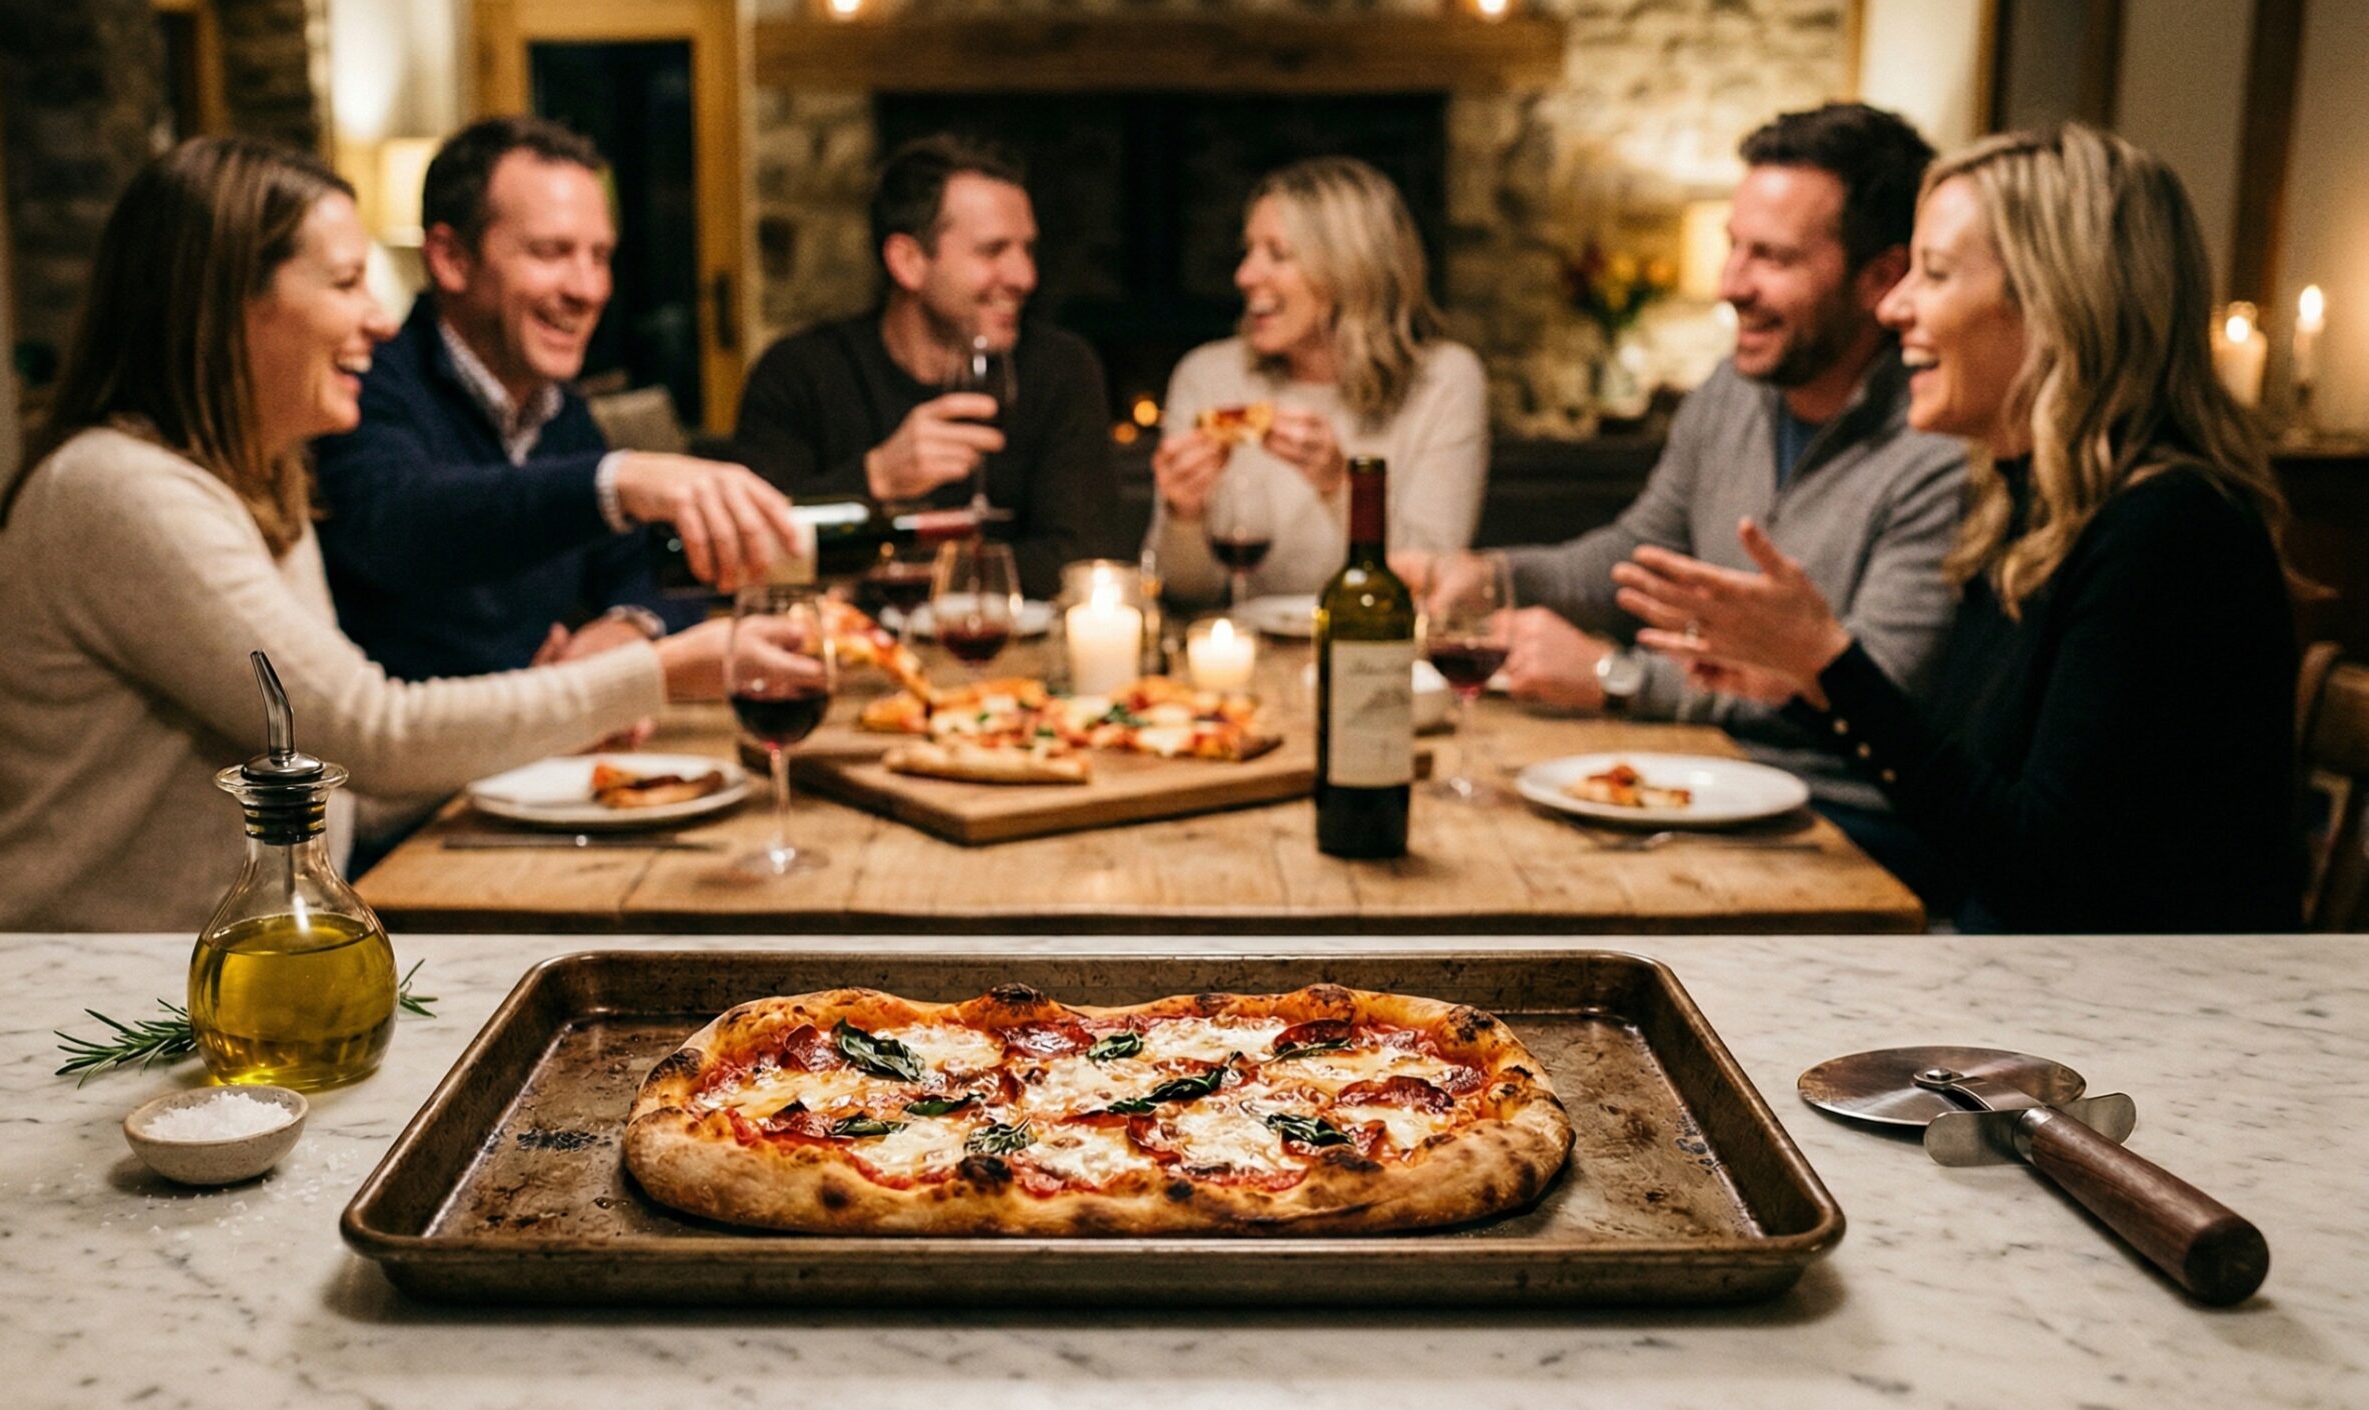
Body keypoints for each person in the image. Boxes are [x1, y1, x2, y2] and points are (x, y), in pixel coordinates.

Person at [0, 138, 760, 933]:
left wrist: (566, 715)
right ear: (226, 305)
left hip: (241, 954)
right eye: (346, 283)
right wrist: (648, 674)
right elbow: (371, 731)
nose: (380, 321)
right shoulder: (120, 490)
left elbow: (340, 772)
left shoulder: (259, 476)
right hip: (83, 985)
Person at [1613, 124, 2303, 933]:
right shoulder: (2030, 501)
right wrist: (1805, 686)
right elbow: (1969, 800)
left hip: (2147, 1016)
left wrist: (1830, 666)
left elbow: (2040, 872)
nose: (1893, 304)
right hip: (2025, 972)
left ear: (2054, 306)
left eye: (1933, 274)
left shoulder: (2168, 531)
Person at [1413, 104, 1965, 877]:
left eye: (1771, 257)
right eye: (1733, 246)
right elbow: (1640, 555)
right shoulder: (1733, 392)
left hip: (1843, 832)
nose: (1729, 284)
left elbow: (1874, 697)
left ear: (1882, 278)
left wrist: (1616, 678)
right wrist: (1491, 575)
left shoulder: (1938, 442)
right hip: (1692, 779)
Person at [312, 115, 795, 683]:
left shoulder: (558, 410)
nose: (588, 289)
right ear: (451, 259)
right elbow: (401, 523)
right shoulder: (364, 383)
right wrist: (614, 480)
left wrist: (628, 627)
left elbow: (648, 565)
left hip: (547, 758)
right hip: (404, 763)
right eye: (551, 252)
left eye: (599, 256)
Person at [731, 135, 1117, 599]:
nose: (1024, 277)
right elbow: (753, 555)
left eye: (1027, 250)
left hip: (1014, 661)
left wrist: (883, 572)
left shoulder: (1058, 368)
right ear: (908, 261)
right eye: (993, 251)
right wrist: (877, 478)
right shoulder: (800, 373)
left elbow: (1080, 561)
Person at [1146, 156, 1486, 605]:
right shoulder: (1209, 376)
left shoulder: (1444, 381)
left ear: (1350, 269)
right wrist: (1184, 514)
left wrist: (1341, 487)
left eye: (1278, 254)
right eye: (1248, 251)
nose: (1244, 275)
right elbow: (1184, 595)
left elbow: (1426, 581)